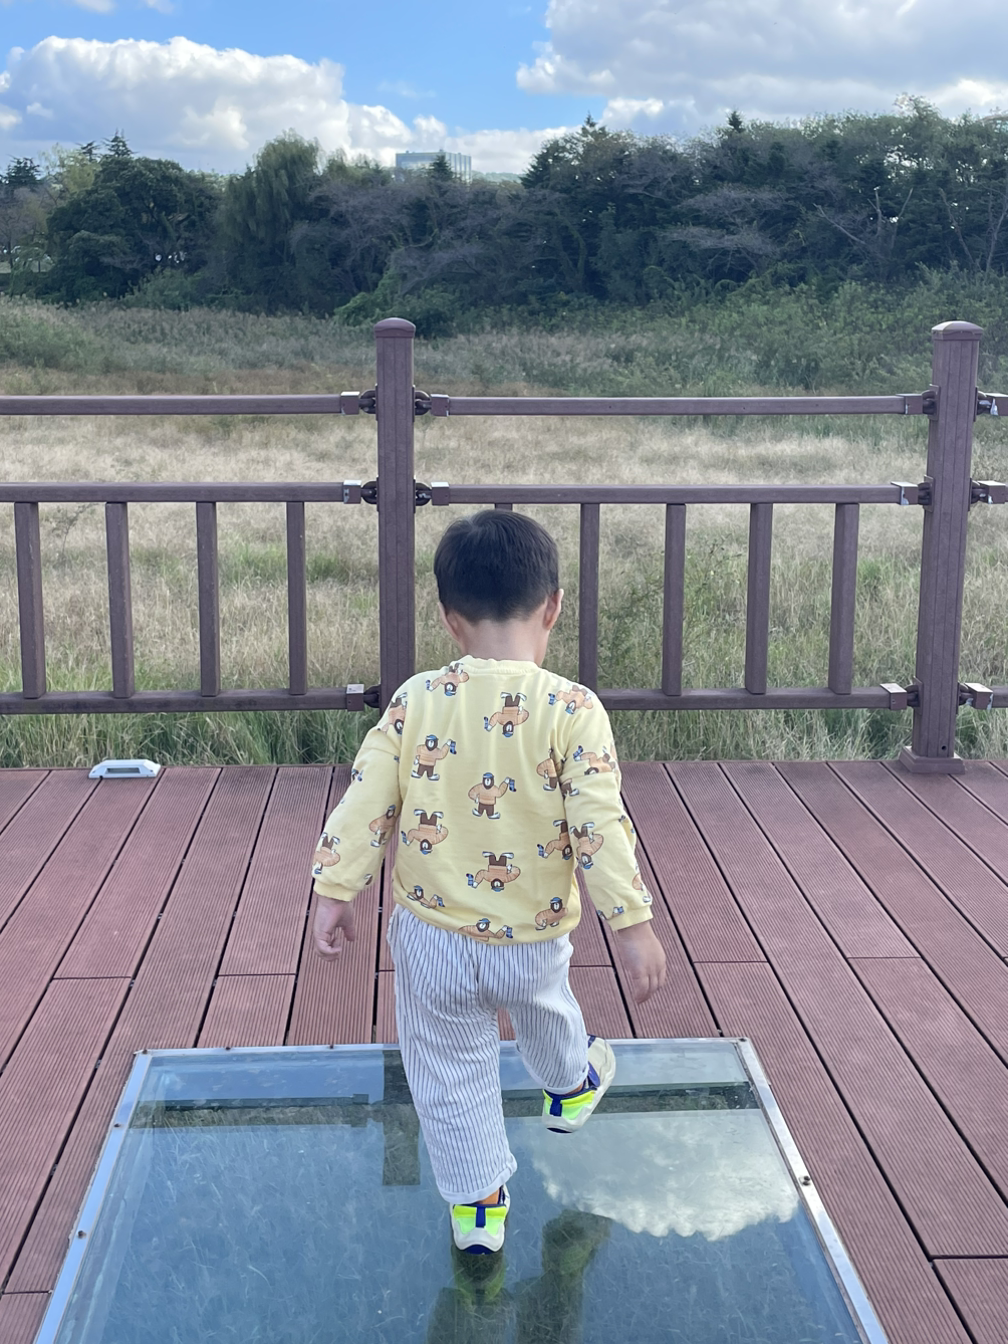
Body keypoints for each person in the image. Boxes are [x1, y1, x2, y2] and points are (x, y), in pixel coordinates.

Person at [310, 510, 666, 1254]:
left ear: (449, 618)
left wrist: (335, 890)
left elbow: (367, 799)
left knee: (446, 1071)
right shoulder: (573, 710)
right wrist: (632, 926)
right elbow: (599, 826)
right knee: (547, 1014)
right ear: (553, 607)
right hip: (531, 935)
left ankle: (477, 1209)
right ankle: (570, 1084)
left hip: (431, 936)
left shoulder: (415, 699)